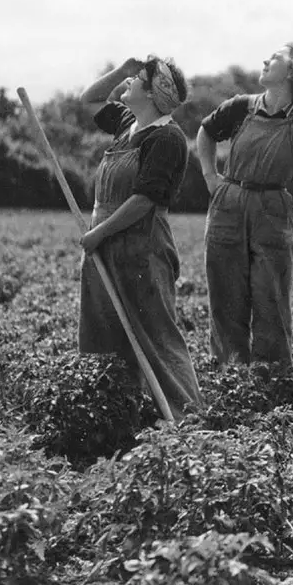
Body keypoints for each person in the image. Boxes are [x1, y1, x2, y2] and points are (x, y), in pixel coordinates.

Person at [195, 43, 293, 366]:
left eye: (276, 58)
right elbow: (206, 131)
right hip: (229, 203)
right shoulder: (240, 107)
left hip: (271, 209)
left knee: (270, 297)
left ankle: (272, 382)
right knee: (225, 298)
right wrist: (210, 178)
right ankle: (231, 378)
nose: (266, 60)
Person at [78, 56, 203, 416]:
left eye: (138, 78)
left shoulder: (167, 137)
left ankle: (188, 423)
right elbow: (90, 98)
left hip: (141, 248)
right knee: (106, 334)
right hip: (105, 246)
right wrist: (120, 70)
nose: (129, 81)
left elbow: (145, 200)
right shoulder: (126, 124)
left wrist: (99, 233)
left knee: (157, 339)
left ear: (152, 94)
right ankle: (117, 415)